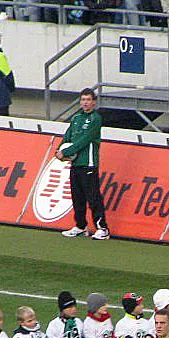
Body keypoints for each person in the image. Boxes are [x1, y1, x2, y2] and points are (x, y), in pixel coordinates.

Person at [56, 88, 110, 241]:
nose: (85, 103)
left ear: (94, 102)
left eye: (88, 100)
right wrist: (59, 151)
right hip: (75, 164)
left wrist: (67, 152)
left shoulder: (95, 119)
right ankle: (81, 227)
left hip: (89, 164)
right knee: (77, 197)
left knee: (93, 198)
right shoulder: (76, 118)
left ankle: (102, 228)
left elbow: (84, 140)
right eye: (83, 100)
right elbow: (68, 137)